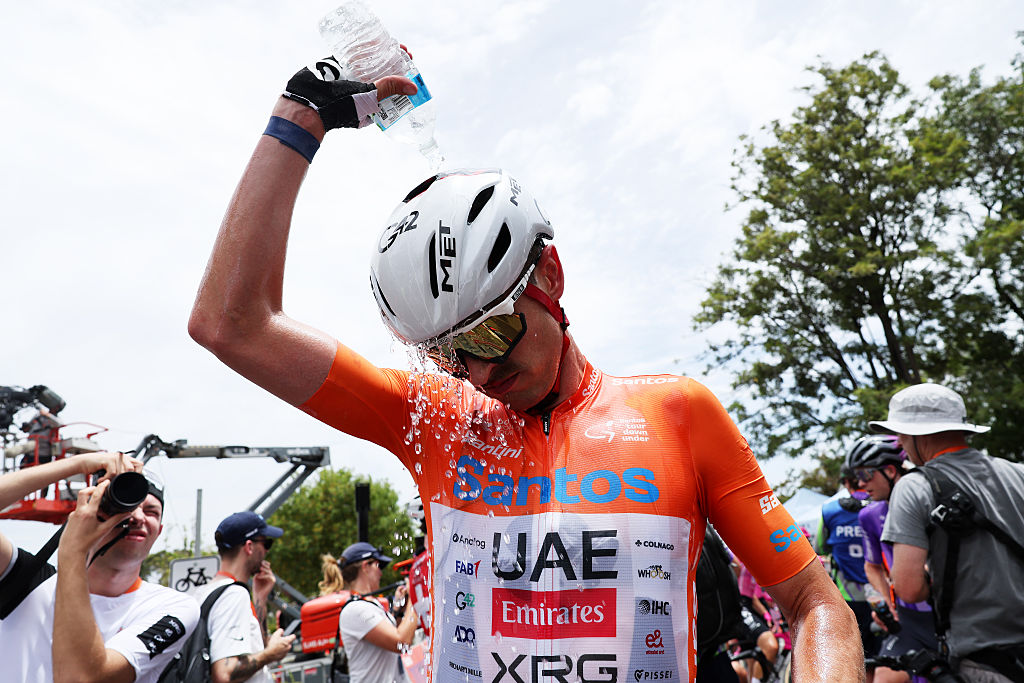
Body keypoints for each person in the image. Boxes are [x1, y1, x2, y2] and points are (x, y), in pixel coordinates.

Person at [187, 62, 864, 681]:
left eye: (490, 331)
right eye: (448, 354)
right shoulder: (434, 418)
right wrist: (302, 116)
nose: (477, 373)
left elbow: (813, 602)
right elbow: (230, 323)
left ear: (551, 276)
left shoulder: (678, 413)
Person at [0, 451, 199, 682]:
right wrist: (78, 463)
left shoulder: (172, 607)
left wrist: (74, 549)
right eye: (123, 507)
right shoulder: (31, 583)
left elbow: (82, 677)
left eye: (151, 511)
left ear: (159, 531)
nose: (136, 517)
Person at [871, 383, 1024, 683]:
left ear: (920, 434)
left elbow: (908, 587)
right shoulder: (1018, 473)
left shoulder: (915, 486)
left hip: (983, 659)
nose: (900, 442)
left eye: (902, 433)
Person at [847, 435, 937, 683]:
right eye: (857, 476)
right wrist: (889, 603)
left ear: (889, 470)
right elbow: (872, 566)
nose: (861, 483)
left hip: (946, 617)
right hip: (908, 618)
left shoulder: (930, 498)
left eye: (866, 474)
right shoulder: (869, 515)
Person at [196, 510, 295, 683]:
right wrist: (271, 654)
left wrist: (260, 598)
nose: (266, 552)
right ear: (249, 547)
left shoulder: (205, 592)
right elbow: (225, 672)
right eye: (266, 544)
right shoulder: (233, 594)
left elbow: (255, 648)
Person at [817, 464, 879, 664]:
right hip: (881, 595)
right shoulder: (879, 505)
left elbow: (820, 547)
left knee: (854, 661)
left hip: (847, 595)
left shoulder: (830, 510)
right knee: (883, 659)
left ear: (845, 482)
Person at [336, 542, 418, 683]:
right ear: (365, 566)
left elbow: (392, 632)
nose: (381, 573)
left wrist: (399, 608)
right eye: (379, 566)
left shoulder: (370, 604)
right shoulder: (355, 609)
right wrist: (415, 595)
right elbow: (401, 643)